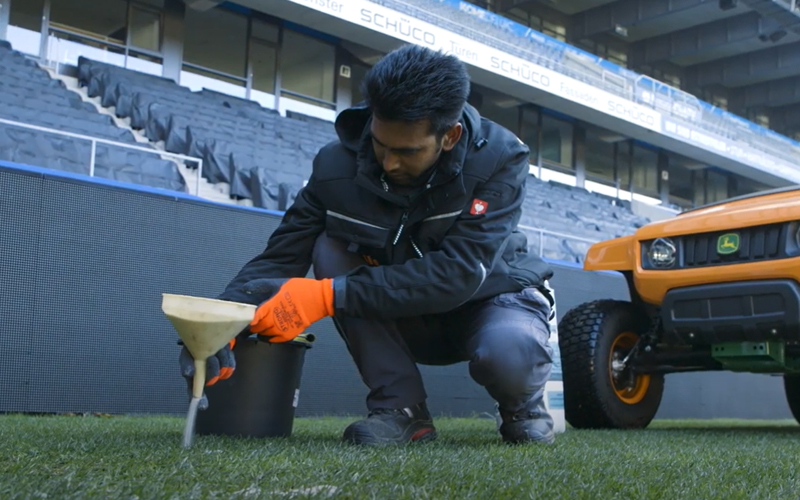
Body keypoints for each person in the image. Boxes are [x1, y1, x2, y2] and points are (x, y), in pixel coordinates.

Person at [179, 44, 557, 446]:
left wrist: (326, 297)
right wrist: (222, 322)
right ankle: (401, 410)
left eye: (407, 151)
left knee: (508, 351)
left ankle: (523, 409)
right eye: (380, 143)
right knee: (329, 247)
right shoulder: (334, 166)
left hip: (492, 300)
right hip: (401, 313)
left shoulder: (501, 158)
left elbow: (459, 272)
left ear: (450, 136)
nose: (389, 163)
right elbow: (279, 258)